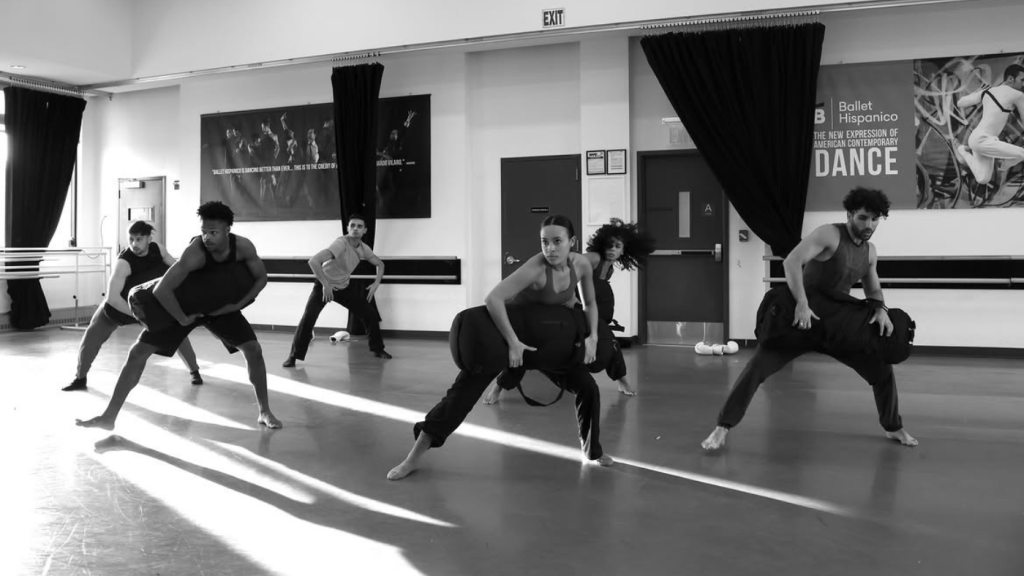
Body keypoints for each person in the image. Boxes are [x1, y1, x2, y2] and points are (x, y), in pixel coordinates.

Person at [387, 215, 613, 481]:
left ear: (571, 242)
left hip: (549, 342)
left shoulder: (582, 265)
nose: (550, 248)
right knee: (460, 396)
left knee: (587, 387)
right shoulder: (536, 268)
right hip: (507, 338)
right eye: (544, 242)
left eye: (557, 241)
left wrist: (592, 336)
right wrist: (513, 342)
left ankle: (593, 451)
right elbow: (493, 298)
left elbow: (590, 304)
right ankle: (412, 458)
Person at [701, 187, 917, 451]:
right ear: (849, 214)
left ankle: (893, 427)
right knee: (756, 368)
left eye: (874, 219)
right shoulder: (830, 234)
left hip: (836, 327)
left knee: (882, 370)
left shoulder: (870, 252)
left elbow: (873, 290)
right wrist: (801, 304)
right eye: (862, 217)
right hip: (800, 321)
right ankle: (723, 426)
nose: (869, 225)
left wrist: (881, 309)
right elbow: (792, 262)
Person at [76, 201, 281, 430]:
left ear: (227, 230)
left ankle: (264, 411)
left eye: (213, 232)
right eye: (203, 232)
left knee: (253, 349)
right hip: (183, 306)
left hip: (219, 307)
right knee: (137, 353)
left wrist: (236, 305)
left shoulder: (243, 247)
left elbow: (261, 278)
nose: (207, 238)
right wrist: (182, 319)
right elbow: (162, 289)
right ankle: (108, 417)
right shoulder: (195, 253)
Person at [482, 218, 655, 403]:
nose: (612, 250)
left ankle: (621, 380)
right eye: (609, 245)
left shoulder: (609, 267)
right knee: (529, 349)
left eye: (617, 246)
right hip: (559, 308)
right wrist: (569, 297)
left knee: (608, 340)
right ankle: (498, 387)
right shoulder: (593, 258)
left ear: (624, 249)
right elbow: (569, 271)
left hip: (580, 309)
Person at [63, 222, 203, 392]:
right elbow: (112, 298)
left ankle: (194, 371)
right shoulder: (124, 262)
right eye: (131, 240)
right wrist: (140, 316)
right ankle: (80, 378)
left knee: (177, 334)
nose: (134, 244)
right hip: (119, 307)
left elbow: (177, 269)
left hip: (149, 304)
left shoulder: (158, 249)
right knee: (91, 338)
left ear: (149, 239)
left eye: (139, 239)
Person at [283, 214, 391, 367]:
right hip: (324, 285)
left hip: (343, 287)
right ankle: (293, 357)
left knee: (369, 313)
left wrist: (376, 284)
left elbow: (380, 264)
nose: (355, 228)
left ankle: (377, 349)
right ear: (348, 228)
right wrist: (326, 285)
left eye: (359, 226)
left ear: (365, 230)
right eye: (352, 225)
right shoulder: (341, 243)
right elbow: (314, 261)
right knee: (308, 319)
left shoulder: (363, 248)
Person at [955, 63, 1024, 185]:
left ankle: (963, 151)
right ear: (1010, 79)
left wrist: (977, 92)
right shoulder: (1018, 95)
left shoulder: (987, 92)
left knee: (983, 179)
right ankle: (1002, 165)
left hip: (981, 139)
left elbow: (960, 103)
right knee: (1022, 153)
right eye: (1022, 80)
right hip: (982, 140)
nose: (1023, 84)